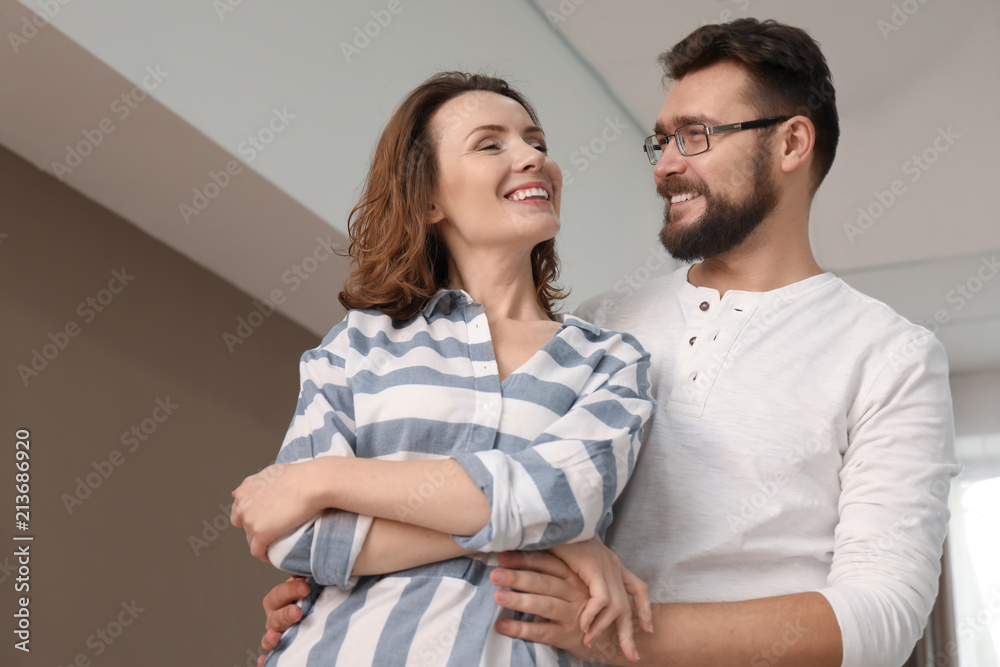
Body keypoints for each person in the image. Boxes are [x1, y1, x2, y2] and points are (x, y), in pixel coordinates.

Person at [259, 19, 959, 667]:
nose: (664, 166)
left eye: (696, 135)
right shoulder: (607, 324)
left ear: (790, 143)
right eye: (662, 140)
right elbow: (515, 502)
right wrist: (347, 587)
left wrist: (617, 632)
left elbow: (881, 614)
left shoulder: (889, 353)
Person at [230, 72, 655, 666]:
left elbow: (559, 498)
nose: (532, 156)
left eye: (536, 141)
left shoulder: (610, 361)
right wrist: (556, 545)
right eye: (491, 144)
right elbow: (295, 535)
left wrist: (321, 479)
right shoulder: (357, 346)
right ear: (430, 198)